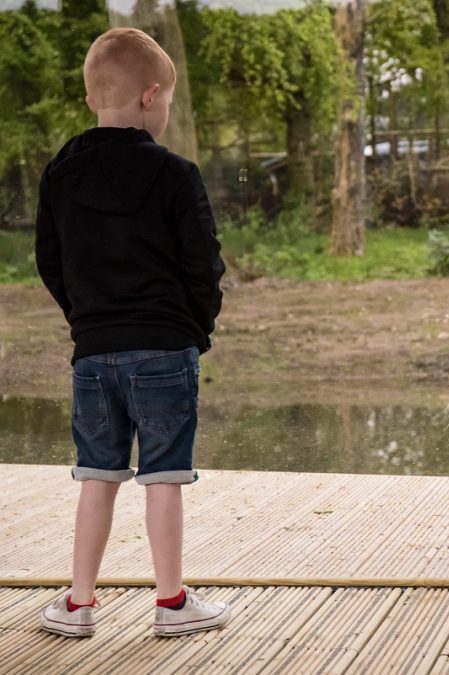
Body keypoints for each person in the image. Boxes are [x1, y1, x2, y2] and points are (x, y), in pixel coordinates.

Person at [35, 27, 229, 638]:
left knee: (97, 474)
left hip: (94, 353)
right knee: (164, 475)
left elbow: (50, 259)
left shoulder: (60, 174)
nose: (167, 110)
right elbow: (204, 262)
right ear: (150, 97)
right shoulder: (175, 173)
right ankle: (171, 605)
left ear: (94, 98)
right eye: (167, 100)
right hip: (165, 347)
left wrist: (87, 321)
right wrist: (195, 327)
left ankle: (78, 604)